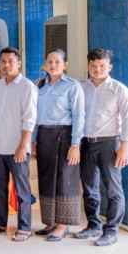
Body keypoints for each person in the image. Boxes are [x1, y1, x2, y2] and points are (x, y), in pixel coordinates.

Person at [76, 49, 128, 247]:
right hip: (86, 143)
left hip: (110, 143)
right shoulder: (81, 88)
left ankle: (112, 231)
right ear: (88, 66)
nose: (97, 69)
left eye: (102, 66)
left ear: (109, 66)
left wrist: (124, 146)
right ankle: (93, 225)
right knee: (89, 188)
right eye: (93, 66)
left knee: (113, 189)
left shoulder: (119, 89)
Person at [0, 47, 37, 242]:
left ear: (19, 63)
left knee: (21, 190)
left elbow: (30, 119)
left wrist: (23, 145)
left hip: (17, 148)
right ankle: (0, 222)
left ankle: (24, 227)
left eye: (10, 61)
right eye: (3, 61)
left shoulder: (27, 86)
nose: (6, 65)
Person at [31, 49, 85, 242]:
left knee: (64, 178)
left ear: (65, 65)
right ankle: (50, 221)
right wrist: (32, 141)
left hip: (65, 135)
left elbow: (79, 115)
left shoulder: (72, 86)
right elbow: (34, 115)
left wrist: (75, 144)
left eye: (57, 62)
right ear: (45, 64)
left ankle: (62, 225)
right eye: (49, 61)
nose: (53, 65)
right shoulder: (39, 86)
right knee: (46, 177)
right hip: (44, 135)